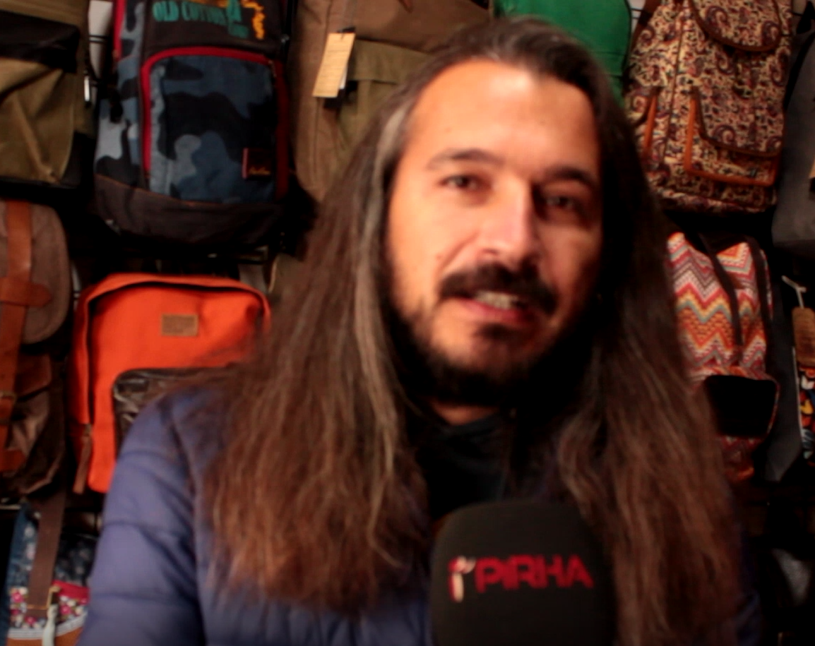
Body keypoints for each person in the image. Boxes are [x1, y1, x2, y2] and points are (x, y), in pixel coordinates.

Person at [80, 18, 757, 646]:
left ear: (606, 254)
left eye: (561, 201)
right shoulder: (187, 457)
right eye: (465, 181)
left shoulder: (680, 491)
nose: (513, 240)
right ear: (376, 219)